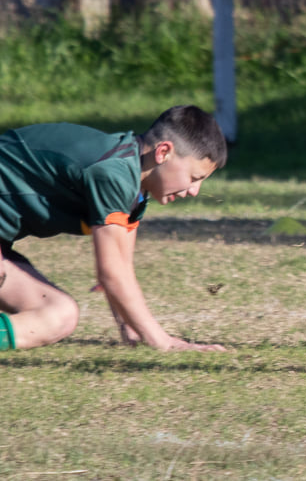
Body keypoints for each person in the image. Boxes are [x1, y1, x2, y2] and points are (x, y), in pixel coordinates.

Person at [0, 105, 228, 352]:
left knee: (56, 314)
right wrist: (164, 343)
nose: (194, 191)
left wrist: (130, 327)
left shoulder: (134, 183)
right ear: (164, 152)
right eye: (194, 178)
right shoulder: (114, 173)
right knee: (59, 315)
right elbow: (111, 273)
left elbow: (121, 266)